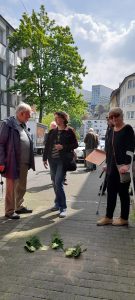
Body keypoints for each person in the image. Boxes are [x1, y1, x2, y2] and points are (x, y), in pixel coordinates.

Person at [97, 107, 134, 226]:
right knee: (111, 191)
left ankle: (124, 218)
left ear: (121, 116)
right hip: (112, 166)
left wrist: (127, 165)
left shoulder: (127, 129)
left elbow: (130, 148)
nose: (114, 119)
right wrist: (107, 163)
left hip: (123, 166)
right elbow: (109, 149)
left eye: (116, 116)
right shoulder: (111, 130)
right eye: (111, 117)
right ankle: (108, 217)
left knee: (123, 192)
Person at [0, 102, 35, 219]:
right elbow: (1, 144)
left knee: (21, 186)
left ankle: (18, 207)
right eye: (28, 115)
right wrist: (1, 162)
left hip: (24, 162)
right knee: (11, 188)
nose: (29, 117)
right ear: (21, 113)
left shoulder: (23, 125)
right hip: (12, 162)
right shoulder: (7, 124)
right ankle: (9, 211)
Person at [43, 111, 78, 218]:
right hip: (52, 160)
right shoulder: (52, 131)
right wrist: (44, 158)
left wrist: (63, 147)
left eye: (58, 117)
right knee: (54, 182)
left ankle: (63, 208)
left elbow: (75, 144)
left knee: (58, 182)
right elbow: (48, 146)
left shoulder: (69, 131)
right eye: (55, 118)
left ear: (63, 119)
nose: (56, 119)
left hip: (62, 161)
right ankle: (57, 203)